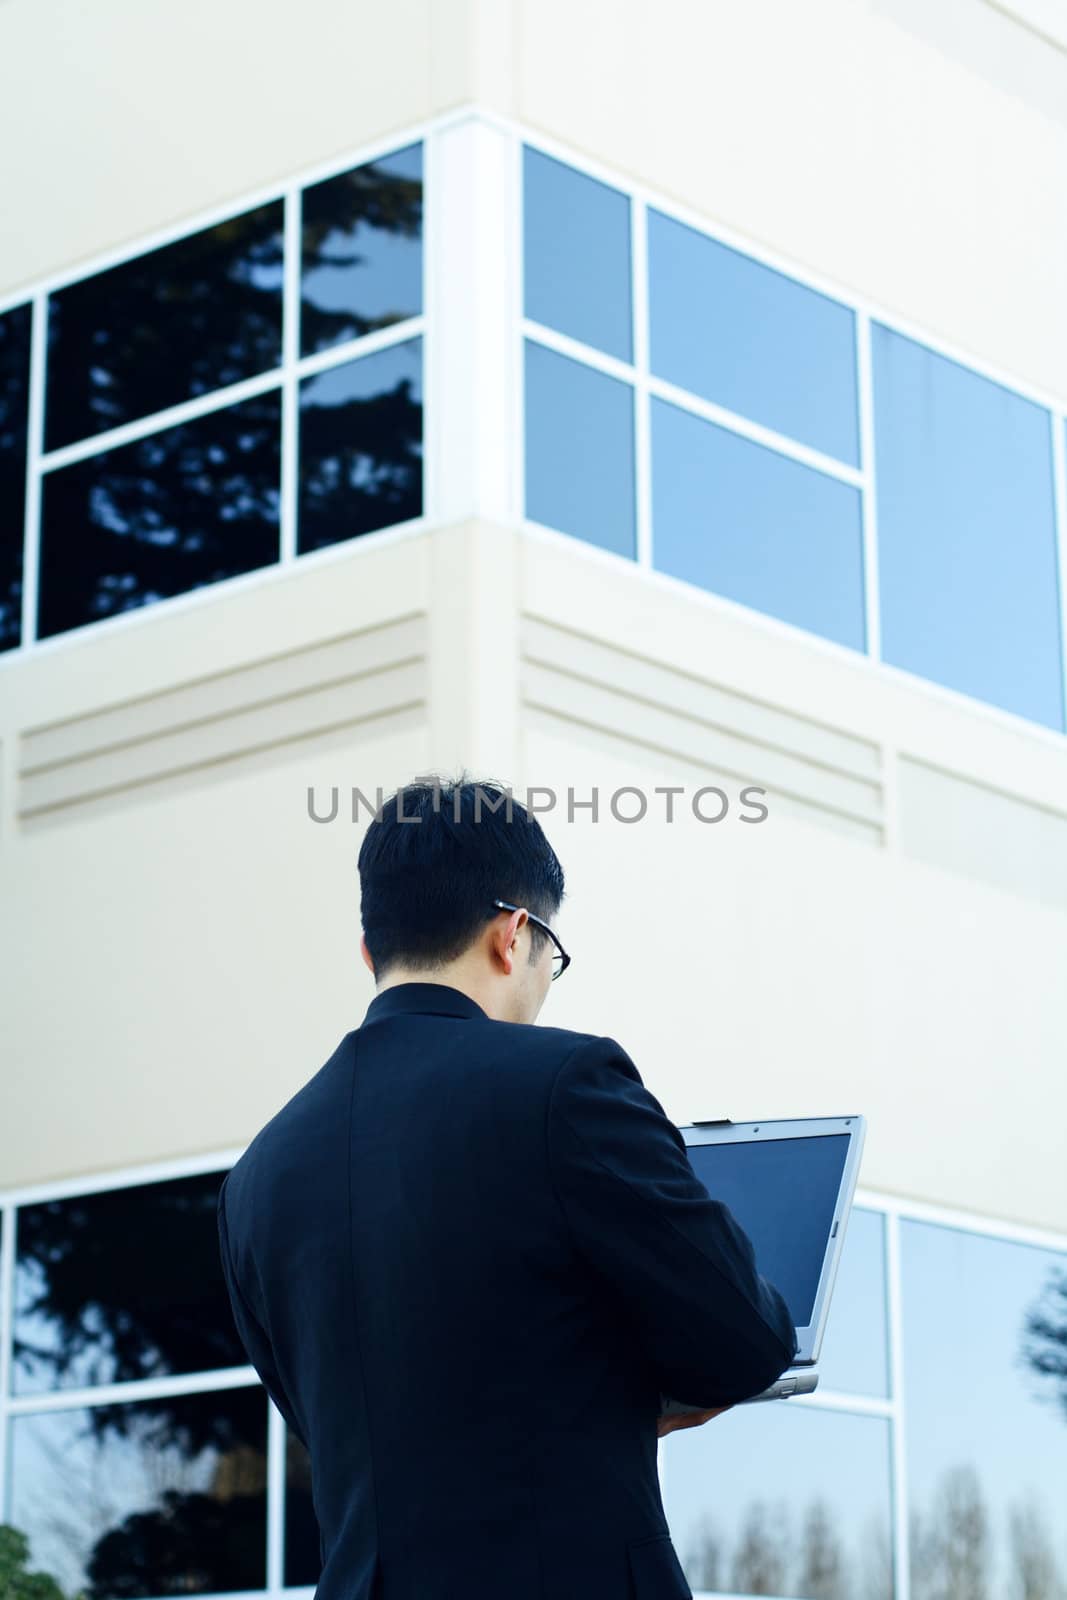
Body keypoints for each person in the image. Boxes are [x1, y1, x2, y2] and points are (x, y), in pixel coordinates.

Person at [216, 775, 797, 1600]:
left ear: (369, 950)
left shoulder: (258, 1175)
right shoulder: (566, 1082)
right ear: (512, 934)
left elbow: (344, 1425)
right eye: (549, 955)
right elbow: (747, 1343)